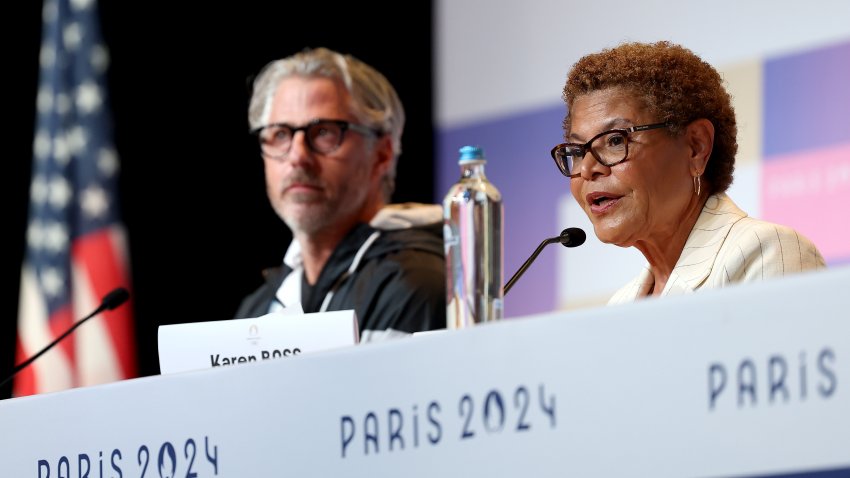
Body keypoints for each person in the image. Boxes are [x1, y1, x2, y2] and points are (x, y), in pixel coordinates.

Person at [550, 41, 826, 303]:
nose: (586, 169)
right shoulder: (621, 304)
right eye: (576, 151)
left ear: (696, 147)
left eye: (615, 140)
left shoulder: (767, 254)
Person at [235, 47, 445, 340]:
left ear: (382, 154)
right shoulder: (255, 312)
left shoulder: (416, 286)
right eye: (280, 134)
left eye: (324, 132)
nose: (297, 156)